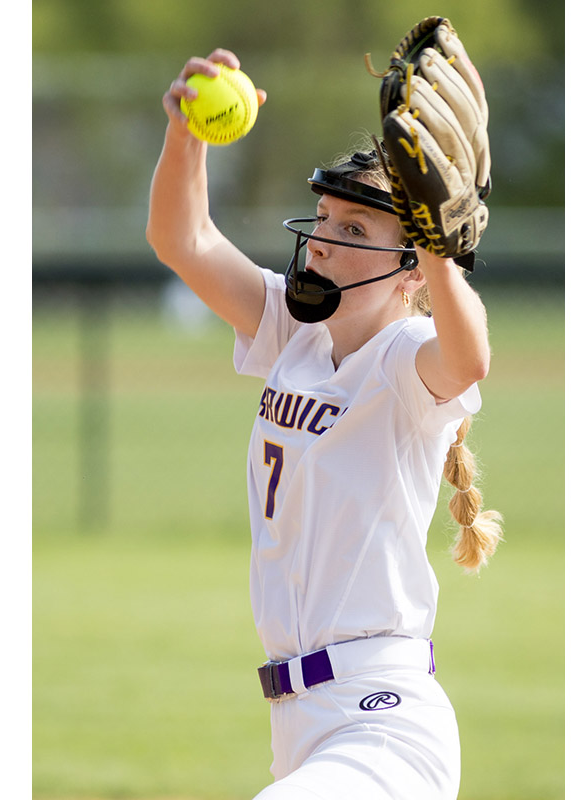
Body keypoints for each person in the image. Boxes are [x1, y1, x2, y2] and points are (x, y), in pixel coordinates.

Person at [146, 47, 502, 800]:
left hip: (383, 720)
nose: (328, 240)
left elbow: (468, 359)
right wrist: (186, 137)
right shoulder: (294, 332)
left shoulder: (405, 360)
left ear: (411, 267)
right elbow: (184, 240)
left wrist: (442, 246)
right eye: (329, 220)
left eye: (358, 232)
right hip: (299, 721)